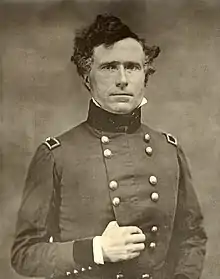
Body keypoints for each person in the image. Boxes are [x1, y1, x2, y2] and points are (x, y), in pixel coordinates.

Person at [11, 14, 207, 279]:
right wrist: (96, 249)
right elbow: (24, 255)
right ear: (85, 76)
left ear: (145, 76)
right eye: (109, 67)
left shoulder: (169, 149)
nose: (123, 79)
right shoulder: (56, 155)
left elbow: (192, 237)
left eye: (133, 67)